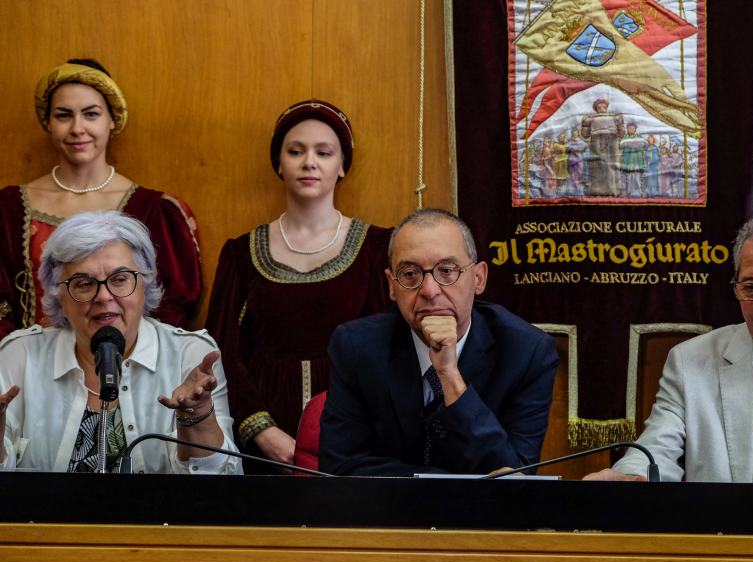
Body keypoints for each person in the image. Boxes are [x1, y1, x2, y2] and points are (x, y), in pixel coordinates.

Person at [205, 100, 390, 473]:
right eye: (295, 151)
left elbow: (387, 347)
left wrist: (352, 430)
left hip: (354, 432)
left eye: (324, 152)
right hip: (260, 439)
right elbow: (221, 348)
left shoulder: (378, 247)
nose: (309, 162)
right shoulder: (240, 253)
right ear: (279, 163)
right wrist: (260, 430)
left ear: (341, 166)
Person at [584, 213, 753, 483]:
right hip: (733, 525)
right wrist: (629, 478)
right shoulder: (691, 362)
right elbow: (655, 449)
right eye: (750, 288)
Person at [319, 209, 559, 476]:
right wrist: (444, 486)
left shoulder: (526, 352)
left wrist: (449, 376)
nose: (430, 291)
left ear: (478, 278)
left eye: (447, 271)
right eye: (410, 274)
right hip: (387, 514)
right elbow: (339, 468)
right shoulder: (357, 346)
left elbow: (515, 479)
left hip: (480, 517)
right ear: (391, 285)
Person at [0, 211, 239, 474]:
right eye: (83, 284)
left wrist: (197, 417)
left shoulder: (189, 355)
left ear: (144, 284)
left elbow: (219, 491)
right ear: (59, 297)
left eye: (120, 279)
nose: (103, 296)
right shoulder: (19, 356)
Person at [0, 59, 203, 340]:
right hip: (31, 373)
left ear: (112, 119)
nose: (77, 128)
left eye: (91, 114)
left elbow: (170, 309)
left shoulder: (154, 211)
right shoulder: (7, 211)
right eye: (63, 115)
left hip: (127, 372)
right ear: (47, 122)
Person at [580, 98, 623, 196]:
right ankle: (596, 191)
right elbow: (585, 134)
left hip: (612, 141)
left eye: (604, 106)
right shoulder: (589, 117)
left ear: (607, 107)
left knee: (612, 165)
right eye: (599, 107)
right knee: (597, 166)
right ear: (596, 109)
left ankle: (613, 191)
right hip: (596, 141)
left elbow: (621, 132)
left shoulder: (615, 116)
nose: (602, 108)